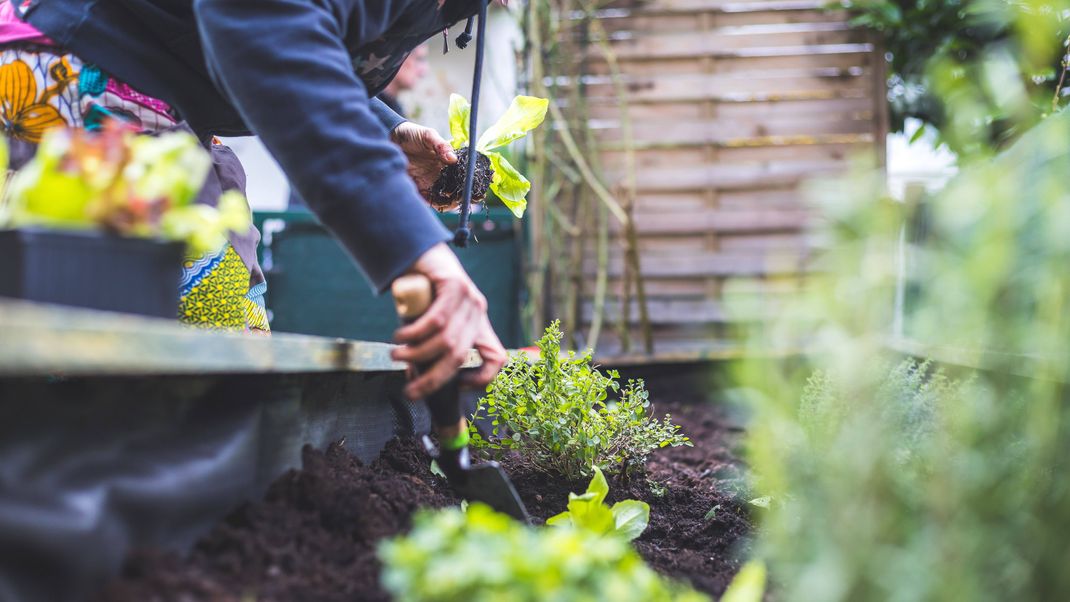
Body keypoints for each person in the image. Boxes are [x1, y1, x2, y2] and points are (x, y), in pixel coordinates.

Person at [0, 0, 508, 399]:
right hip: (83, 62)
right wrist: (415, 249)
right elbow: (256, 20)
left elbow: (300, 43)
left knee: (238, 330)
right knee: (151, 338)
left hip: (172, 99)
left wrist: (387, 130)